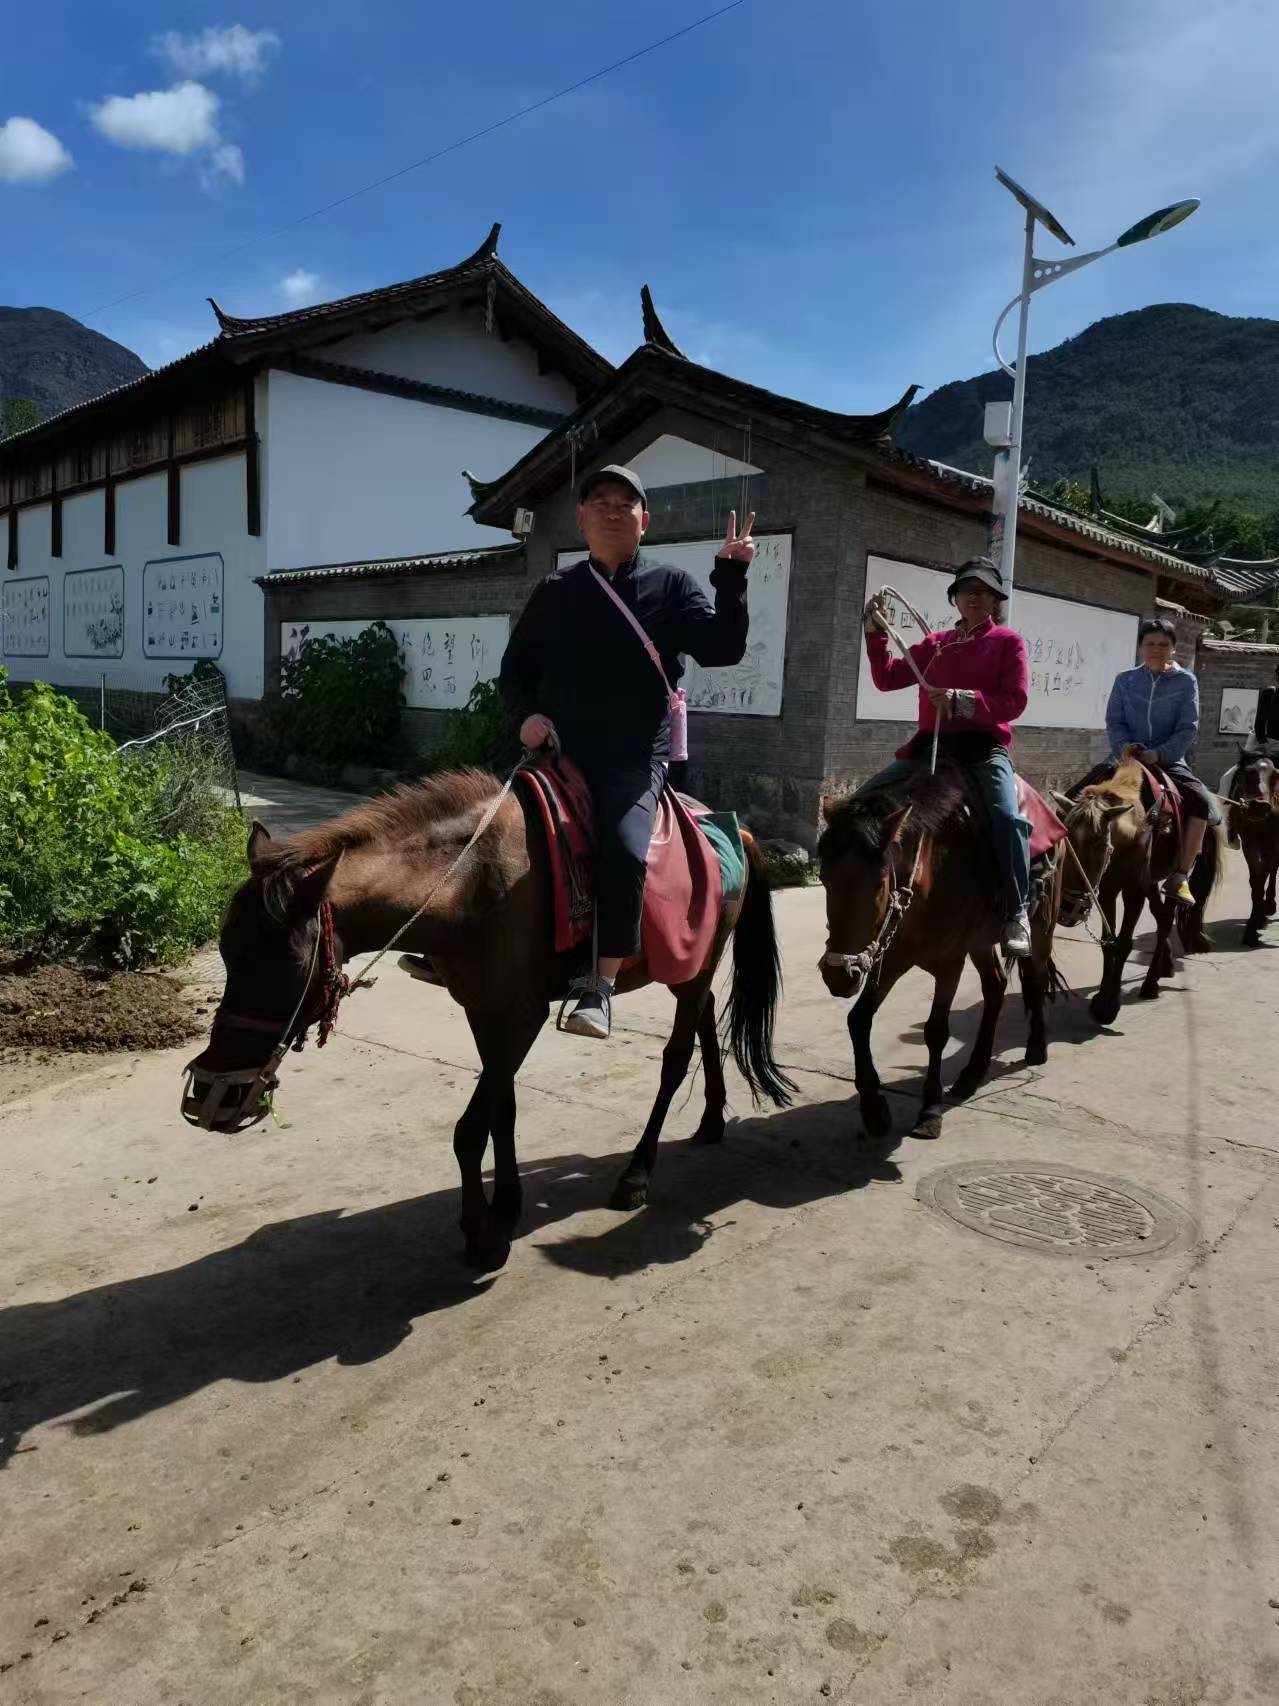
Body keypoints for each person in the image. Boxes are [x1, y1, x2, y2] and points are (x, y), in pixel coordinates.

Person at [498, 464, 754, 1039]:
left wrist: (731, 577)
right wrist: (526, 719)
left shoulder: (673, 586)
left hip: (633, 757)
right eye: (600, 501)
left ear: (645, 520)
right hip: (557, 751)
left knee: (622, 846)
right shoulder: (556, 590)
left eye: (626, 503)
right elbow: (516, 672)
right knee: (485, 830)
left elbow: (723, 649)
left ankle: (601, 984)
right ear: (582, 518)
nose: (613, 510)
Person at [859, 556, 1033, 957]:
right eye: (967, 589)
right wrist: (874, 633)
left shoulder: (1008, 643)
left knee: (1007, 818)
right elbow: (886, 678)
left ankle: (1017, 911)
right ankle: (864, 894)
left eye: (984, 590)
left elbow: (1015, 702)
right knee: (860, 806)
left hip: (982, 749)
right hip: (929, 748)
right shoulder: (934, 645)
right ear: (955, 598)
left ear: (994, 601)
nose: (975, 596)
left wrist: (961, 700)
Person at [1103, 615, 1220, 902]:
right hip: (1126, 759)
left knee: (1202, 803)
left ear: (1173, 649)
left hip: (1169, 761)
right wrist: (1125, 749)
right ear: (1141, 647)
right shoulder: (1125, 680)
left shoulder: (1185, 681)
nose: (1156, 649)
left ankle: (1181, 874)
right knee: (1080, 798)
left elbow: (1187, 727)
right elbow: (1115, 721)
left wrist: (1161, 753)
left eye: (1163, 644)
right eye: (1150, 643)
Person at [1218, 661, 1279, 840]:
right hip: (1263, 744)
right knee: (1229, 776)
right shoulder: (1270, 693)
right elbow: (1260, 723)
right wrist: (1265, 748)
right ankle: (1228, 823)